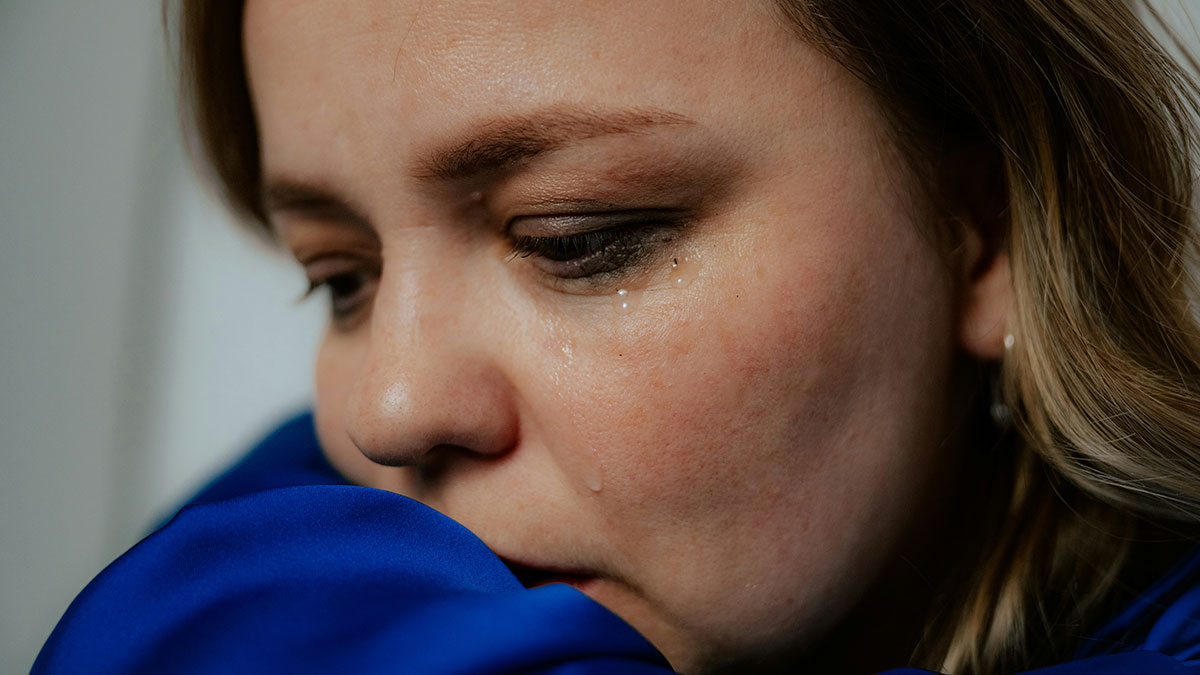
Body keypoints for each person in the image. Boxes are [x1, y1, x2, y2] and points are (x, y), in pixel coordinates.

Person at [33, 1, 1200, 673]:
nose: (386, 411)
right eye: (343, 278)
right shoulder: (301, 511)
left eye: (576, 239)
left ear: (983, 225)